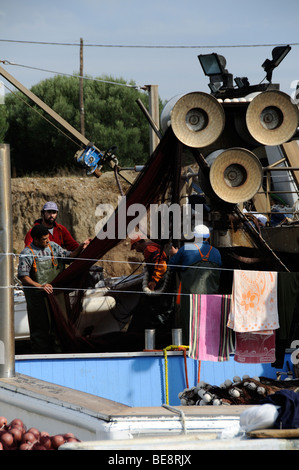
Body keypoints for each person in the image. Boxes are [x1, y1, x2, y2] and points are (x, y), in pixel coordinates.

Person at [18, 224, 91, 354]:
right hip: (37, 299)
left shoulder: (54, 247)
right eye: (44, 239)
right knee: (40, 330)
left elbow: (69, 257)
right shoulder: (27, 253)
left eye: (48, 238)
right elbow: (24, 277)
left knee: (59, 326)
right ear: (35, 239)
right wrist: (41, 286)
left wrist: (81, 247)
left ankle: (59, 354)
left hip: (56, 296)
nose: (47, 241)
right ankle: (41, 356)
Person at [168, 224, 222, 344]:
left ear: (194, 237)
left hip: (190, 299)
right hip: (211, 298)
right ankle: (209, 346)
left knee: (190, 321)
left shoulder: (186, 249)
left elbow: (171, 266)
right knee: (209, 322)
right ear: (208, 237)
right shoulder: (217, 253)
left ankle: (190, 347)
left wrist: (175, 254)